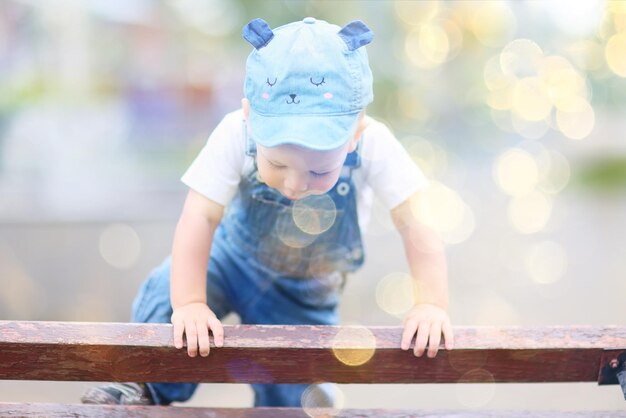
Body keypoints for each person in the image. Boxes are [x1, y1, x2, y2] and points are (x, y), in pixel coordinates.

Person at [81, 17, 453, 407]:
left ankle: (297, 400)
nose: (294, 184)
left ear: (355, 131)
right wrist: (191, 301)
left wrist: (430, 304)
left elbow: (416, 223)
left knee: (297, 379)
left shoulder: (374, 144)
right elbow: (201, 215)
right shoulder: (235, 132)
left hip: (303, 294)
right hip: (230, 262)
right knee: (166, 296)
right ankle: (138, 384)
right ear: (249, 117)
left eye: (318, 171)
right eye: (276, 165)